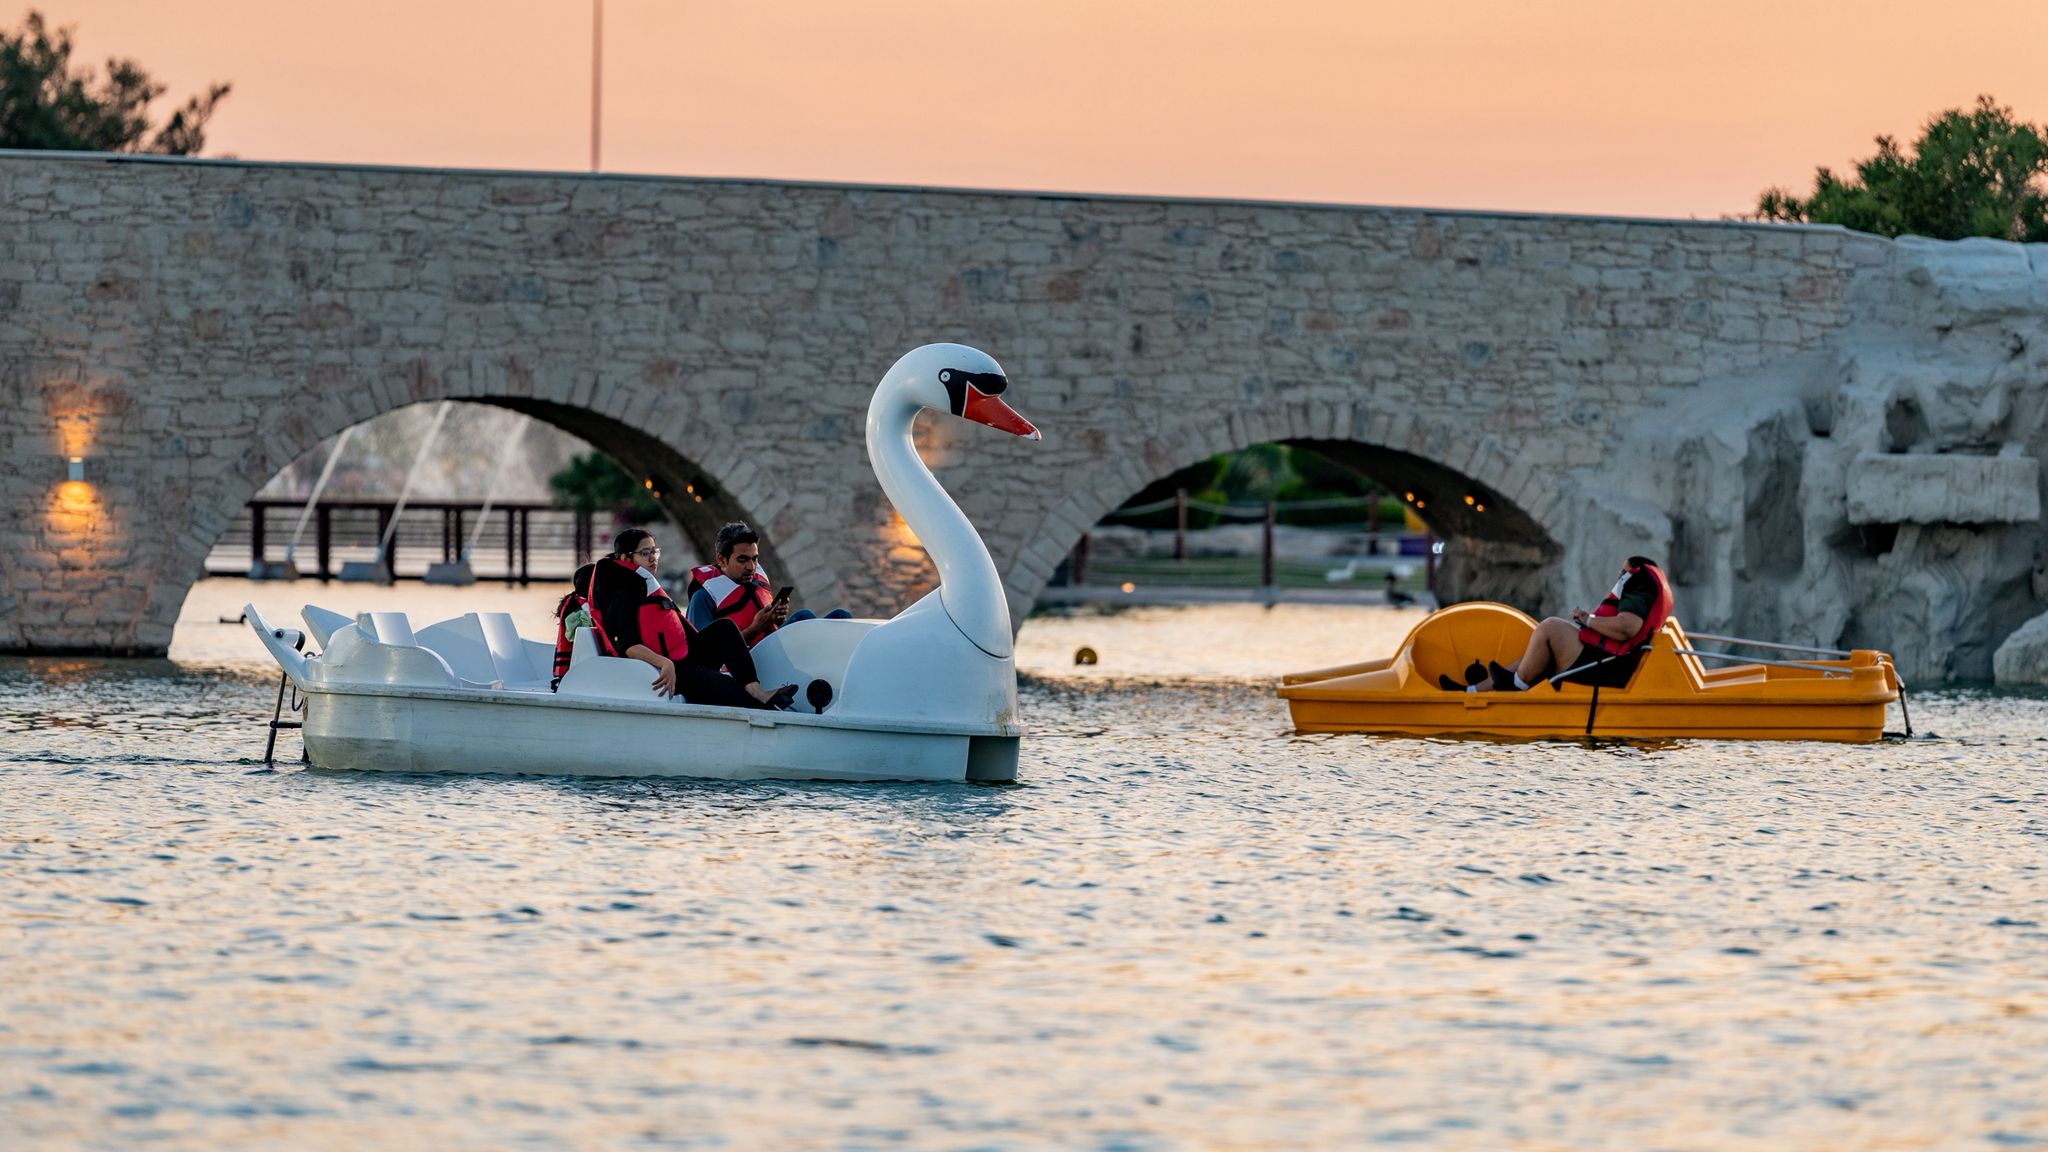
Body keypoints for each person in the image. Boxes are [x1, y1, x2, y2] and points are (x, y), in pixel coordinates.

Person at [563, 528, 796, 709]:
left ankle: (757, 691)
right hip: (674, 670)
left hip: (686, 657)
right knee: (729, 688)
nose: (653, 558)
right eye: (645, 553)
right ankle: (759, 704)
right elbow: (626, 644)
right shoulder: (622, 593)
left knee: (725, 627)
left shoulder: (644, 585)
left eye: (654, 552)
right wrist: (665, 663)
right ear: (625, 558)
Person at [1442, 556, 1672, 693]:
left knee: (1550, 627)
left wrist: (1588, 620)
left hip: (1608, 667)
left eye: (1622, 571)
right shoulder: (1648, 584)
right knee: (1533, 655)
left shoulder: (1638, 579)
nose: (1619, 575)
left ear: (1632, 570)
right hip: (1609, 662)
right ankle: (1471, 691)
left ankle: (1515, 687)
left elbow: (1627, 628)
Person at [685, 521, 850, 645]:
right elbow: (704, 653)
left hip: (773, 648)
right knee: (803, 617)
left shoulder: (756, 582)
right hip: (749, 663)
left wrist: (777, 618)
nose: (751, 567)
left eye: (754, 559)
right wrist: (754, 629)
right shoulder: (702, 599)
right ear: (721, 559)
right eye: (742, 560)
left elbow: (770, 628)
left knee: (842, 617)